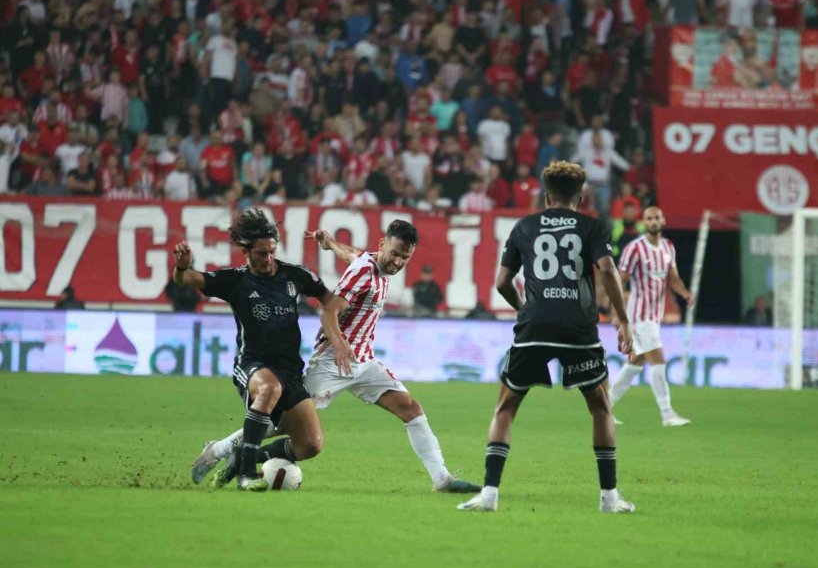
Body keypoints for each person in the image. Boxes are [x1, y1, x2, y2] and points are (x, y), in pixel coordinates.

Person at [193, 220, 481, 495]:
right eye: (394, 254)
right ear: (382, 245)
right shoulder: (362, 272)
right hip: (334, 360)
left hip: (364, 363)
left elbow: (353, 254)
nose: (397, 262)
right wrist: (340, 344)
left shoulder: (372, 263)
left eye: (404, 258)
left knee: (411, 408)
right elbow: (329, 310)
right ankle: (220, 450)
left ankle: (441, 478)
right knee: (285, 422)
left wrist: (330, 243)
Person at [457, 161, 636, 513]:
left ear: (547, 195)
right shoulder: (592, 227)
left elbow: (501, 283)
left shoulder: (524, 226)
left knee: (506, 406)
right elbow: (609, 271)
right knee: (600, 407)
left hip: (535, 325)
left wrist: (525, 307)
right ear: (580, 197)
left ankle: (489, 494)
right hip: (578, 328)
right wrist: (622, 319)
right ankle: (610, 498)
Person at [173, 208, 352, 491]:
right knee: (269, 389)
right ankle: (247, 473)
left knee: (310, 445)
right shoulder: (235, 281)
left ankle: (240, 455)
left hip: (291, 370)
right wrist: (183, 267)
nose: (268, 259)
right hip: (253, 364)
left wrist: (334, 327)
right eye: (260, 253)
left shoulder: (296, 275)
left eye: (271, 251)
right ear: (246, 252)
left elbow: (330, 301)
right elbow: (187, 280)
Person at [607, 206, 693, 427]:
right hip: (638, 316)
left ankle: (604, 407)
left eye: (657, 217)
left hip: (655, 316)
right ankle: (667, 414)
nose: (653, 221)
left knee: (636, 361)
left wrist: (684, 293)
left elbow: (673, 278)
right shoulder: (634, 249)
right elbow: (620, 280)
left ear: (663, 221)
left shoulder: (668, 247)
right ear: (643, 222)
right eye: (649, 218)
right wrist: (616, 312)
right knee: (658, 360)